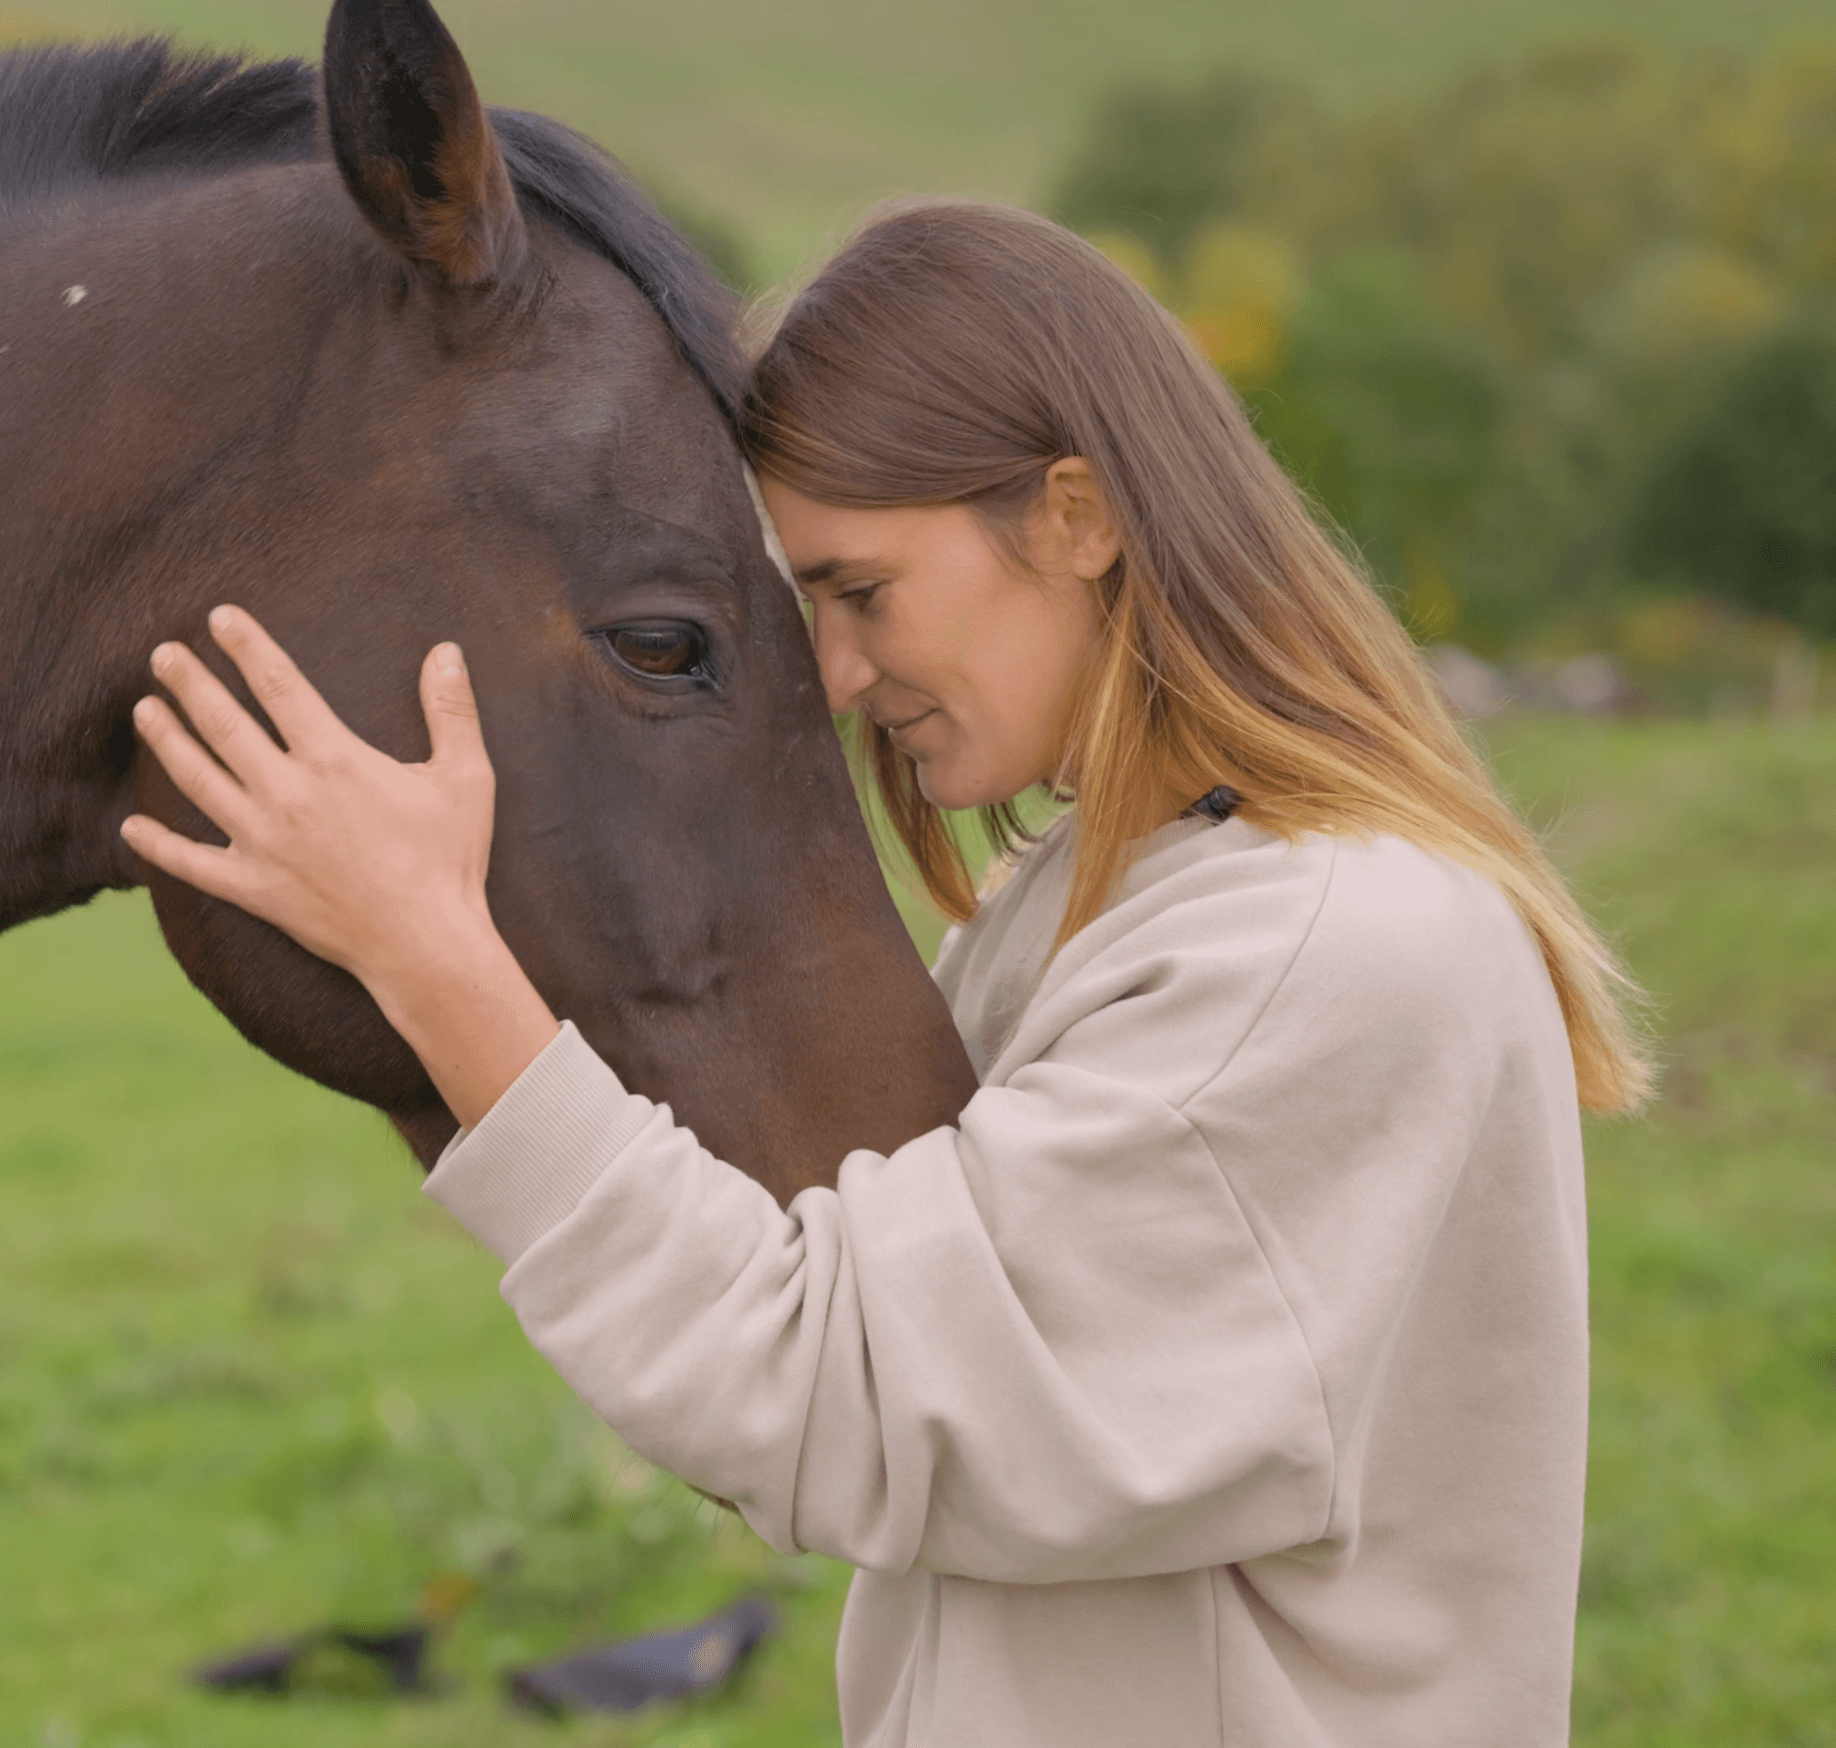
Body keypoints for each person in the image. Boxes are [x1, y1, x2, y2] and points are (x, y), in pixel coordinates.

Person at [122, 200, 1647, 1748]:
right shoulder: (1102, 903)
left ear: (1077, 515)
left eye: (861, 592)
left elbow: (842, 1390)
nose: (838, 679)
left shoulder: (1318, 952)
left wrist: (441, 965)